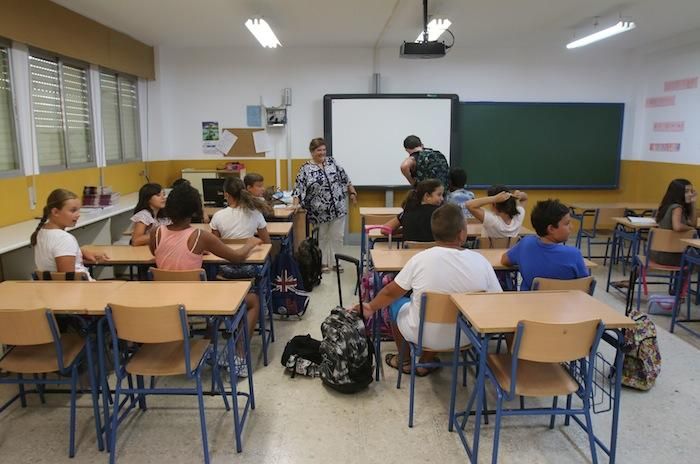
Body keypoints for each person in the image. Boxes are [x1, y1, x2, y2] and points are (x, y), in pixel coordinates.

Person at [355, 203, 502, 375]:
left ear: (434, 234)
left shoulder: (421, 259)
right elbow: (496, 300)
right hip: (466, 336)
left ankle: (405, 360)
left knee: (396, 303)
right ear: (462, 234)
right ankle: (426, 361)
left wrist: (370, 307)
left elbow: (390, 292)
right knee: (448, 311)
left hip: (421, 333)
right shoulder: (481, 261)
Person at [150, 183, 262, 377]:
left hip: (166, 301)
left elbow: (157, 254)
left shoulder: (156, 233)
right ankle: (239, 356)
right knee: (253, 301)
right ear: (195, 210)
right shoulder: (199, 236)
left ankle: (207, 347)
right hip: (196, 300)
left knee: (215, 295)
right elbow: (236, 257)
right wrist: (250, 244)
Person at [293, 137, 357, 273]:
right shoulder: (305, 169)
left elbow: (345, 178)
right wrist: (295, 205)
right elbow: (298, 188)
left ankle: (336, 262)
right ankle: (321, 263)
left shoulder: (332, 162)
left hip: (338, 207)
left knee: (337, 236)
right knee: (322, 237)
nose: (322, 152)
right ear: (312, 152)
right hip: (318, 211)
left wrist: (352, 192)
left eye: (323, 149)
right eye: (318, 150)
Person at [501, 199, 589, 291]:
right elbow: (585, 286)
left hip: (530, 303)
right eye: (567, 224)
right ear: (551, 229)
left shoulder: (525, 244)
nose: (571, 227)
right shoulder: (574, 255)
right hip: (564, 303)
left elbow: (505, 260)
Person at [31, 188, 108, 280]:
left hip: (52, 290)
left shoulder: (41, 232)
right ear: (55, 212)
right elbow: (67, 280)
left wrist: (80, 252)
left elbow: (55, 253)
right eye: (73, 210)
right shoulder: (64, 238)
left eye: (78, 210)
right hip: (80, 290)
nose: (78, 214)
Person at [210, 177, 271, 280]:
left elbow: (214, 245)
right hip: (251, 267)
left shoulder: (217, 216)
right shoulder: (255, 213)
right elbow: (267, 242)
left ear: (226, 195)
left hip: (226, 268)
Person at [651, 178, 698, 265]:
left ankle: (682, 278)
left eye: (691, 191)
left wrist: (693, 203)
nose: (690, 194)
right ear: (678, 193)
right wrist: (691, 229)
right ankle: (684, 278)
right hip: (669, 254)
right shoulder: (677, 208)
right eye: (687, 191)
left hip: (657, 252)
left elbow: (693, 223)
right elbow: (677, 227)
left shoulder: (666, 206)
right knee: (696, 257)